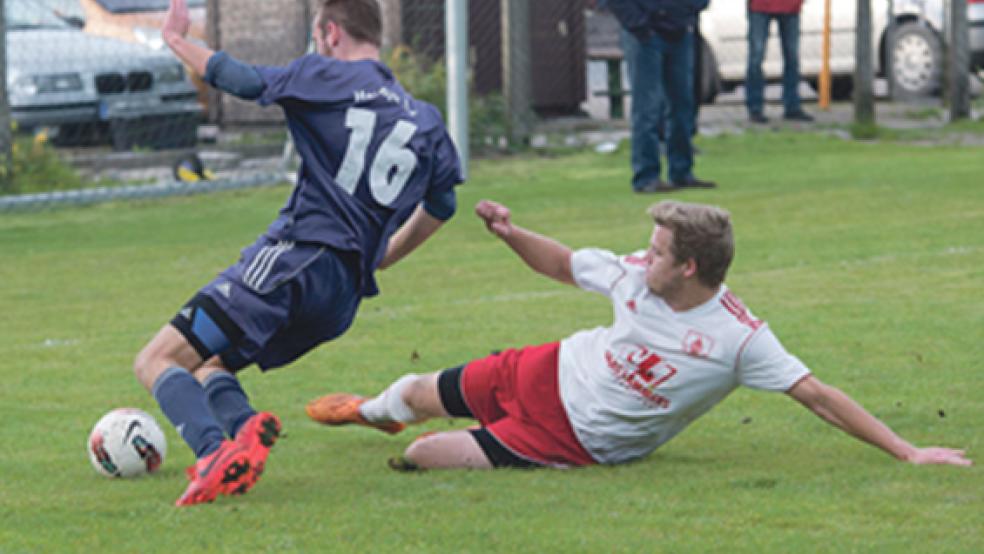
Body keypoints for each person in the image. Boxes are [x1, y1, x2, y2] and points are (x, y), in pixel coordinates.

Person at [306, 199, 972, 471]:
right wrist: (509, 235)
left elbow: (819, 396)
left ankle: (401, 431)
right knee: (415, 391)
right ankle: (370, 412)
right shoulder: (634, 276)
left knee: (426, 457)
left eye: (656, 251)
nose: (641, 256)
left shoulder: (740, 339)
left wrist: (909, 452)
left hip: (575, 438)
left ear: (689, 267)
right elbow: (565, 263)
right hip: (548, 368)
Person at [135, 0, 464, 506]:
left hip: (292, 264)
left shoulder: (323, 74)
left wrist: (179, 42)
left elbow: (244, 81)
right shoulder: (426, 120)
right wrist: (388, 253)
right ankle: (246, 431)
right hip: (341, 299)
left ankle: (210, 451)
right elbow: (443, 203)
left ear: (330, 33)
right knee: (209, 363)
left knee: (155, 359)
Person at [605, 0, 716, 194]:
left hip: (679, 32)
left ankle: (681, 171)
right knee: (648, 107)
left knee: (682, 105)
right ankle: (646, 176)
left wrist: (688, 13)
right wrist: (638, 25)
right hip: (645, 36)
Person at [746, 0, 814, 123]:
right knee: (758, 57)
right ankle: (756, 107)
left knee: (790, 57)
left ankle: (790, 105)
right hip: (761, 6)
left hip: (787, 6)